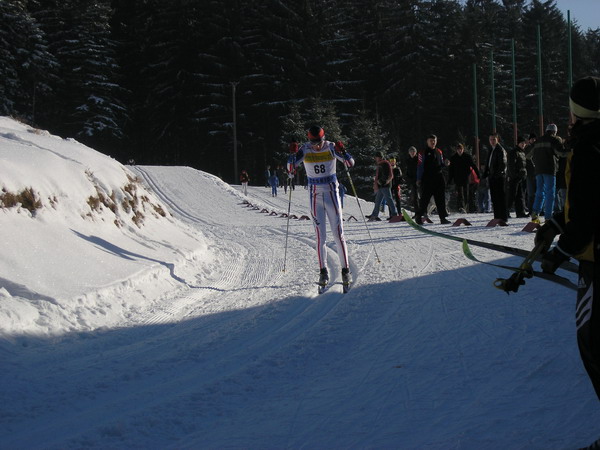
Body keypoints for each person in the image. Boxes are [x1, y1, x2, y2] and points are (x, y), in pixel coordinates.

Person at [534, 77, 600, 444]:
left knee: (592, 345)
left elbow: (588, 216)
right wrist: (556, 224)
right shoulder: (590, 143)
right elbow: (585, 203)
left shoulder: (587, 148)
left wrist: (559, 252)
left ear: (576, 112)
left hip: (595, 260)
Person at [288, 125, 354, 287]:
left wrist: (343, 150)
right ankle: (323, 272)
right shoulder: (305, 149)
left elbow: (350, 163)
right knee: (320, 237)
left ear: (323, 139)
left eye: (319, 143)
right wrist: (292, 154)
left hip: (332, 194)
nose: (316, 146)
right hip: (315, 196)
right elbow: (290, 169)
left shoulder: (331, 147)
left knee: (338, 234)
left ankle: (345, 271)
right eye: (314, 143)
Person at [530, 123, 567, 223]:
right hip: (550, 170)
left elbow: (528, 154)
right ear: (555, 132)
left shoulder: (538, 140)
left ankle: (535, 214)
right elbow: (562, 153)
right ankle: (548, 217)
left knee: (539, 192)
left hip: (538, 170)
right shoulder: (554, 140)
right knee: (550, 193)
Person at [414, 134, 450, 224]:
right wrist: (418, 178)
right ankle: (419, 216)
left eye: (434, 141)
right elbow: (420, 166)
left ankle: (443, 218)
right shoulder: (422, 152)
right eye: (431, 141)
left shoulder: (439, 151)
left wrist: (445, 163)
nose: (433, 142)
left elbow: (441, 164)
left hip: (438, 177)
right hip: (427, 178)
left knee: (440, 199)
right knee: (425, 199)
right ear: (427, 142)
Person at [483, 132, 508, 221]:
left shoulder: (500, 150)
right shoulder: (491, 149)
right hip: (492, 176)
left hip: (499, 177)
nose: (492, 141)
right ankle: (497, 216)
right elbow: (488, 163)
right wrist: (486, 173)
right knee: (494, 198)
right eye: (490, 139)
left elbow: (503, 165)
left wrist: (496, 175)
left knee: (500, 197)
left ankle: (503, 217)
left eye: (494, 139)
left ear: (497, 140)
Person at [448, 143, 479, 213]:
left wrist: (478, 174)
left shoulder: (467, 157)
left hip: (465, 177)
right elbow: (451, 170)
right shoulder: (453, 158)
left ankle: (466, 207)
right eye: (458, 149)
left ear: (463, 149)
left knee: (466, 193)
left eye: (461, 149)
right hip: (457, 178)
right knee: (459, 193)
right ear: (456, 150)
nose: (459, 151)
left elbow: (473, 165)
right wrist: (450, 179)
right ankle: (460, 207)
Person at [366, 151, 397, 221]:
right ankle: (374, 215)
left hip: (385, 185)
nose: (375, 159)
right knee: (377, 200)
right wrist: (378, 182)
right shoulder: (380, 164)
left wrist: (381, 181)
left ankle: (394, 214)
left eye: (376, 157)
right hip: (381, 185)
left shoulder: (384, 163)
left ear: (379, 157)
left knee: (389, 199)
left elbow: (386, 174)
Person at [506, 136, 529, 218]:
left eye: (524, 143)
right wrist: (514, 176)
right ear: (518, 143)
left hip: (520, 177)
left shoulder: (522, 152)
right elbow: (511, 165)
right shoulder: (514, 152)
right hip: (515, 178)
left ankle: (520, 212)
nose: (523, 144)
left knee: (520, 195)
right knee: (512, 195)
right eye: (521, 143)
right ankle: (505, 211)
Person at [524, 133, 537, 213]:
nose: (533, 140)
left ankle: (538, 209)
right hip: (529, 173)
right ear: (529, 140)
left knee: (538, 192)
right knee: (531, 193)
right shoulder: (527, 149)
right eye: (532, 139)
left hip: (537, 172)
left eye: (534, 139)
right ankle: (531, 209)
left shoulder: (538, 147)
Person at [405, 146, 419, 213]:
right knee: (414, 197)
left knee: (421, 196)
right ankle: (417, 212)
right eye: (411, 151)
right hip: (412, 180)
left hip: (419, 180)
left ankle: (423, 212)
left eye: (413, 151)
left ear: (416, 152)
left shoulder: (418, 159)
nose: (412, 153)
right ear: (409, 153)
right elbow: (407, 170)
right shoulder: (408, 160)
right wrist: (408, 178)